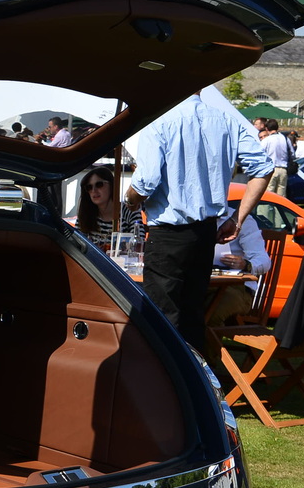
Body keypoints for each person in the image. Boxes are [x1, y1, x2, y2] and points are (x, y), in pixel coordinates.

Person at [124, 90, 272, 351]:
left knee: (161, 318)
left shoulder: (159, 121)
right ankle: (193, 386)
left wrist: (130, 199)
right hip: (204, 233)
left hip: (170, 234)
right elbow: (263, 169)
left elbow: (145, 183)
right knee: (192, 315)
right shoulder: (226, 120)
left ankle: (166, 388)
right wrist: (237, 219)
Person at [206, 213, 271, 328]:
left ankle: (208, 345)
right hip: (204, 283)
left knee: (210, 314)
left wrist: (246, 264)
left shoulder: (241, 219)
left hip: (237, 288)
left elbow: (264, 261)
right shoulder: (195, 218)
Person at [73, 166, 139, 250]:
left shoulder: (129, 211)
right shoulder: (86, 214)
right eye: (89, 187)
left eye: (99, 185)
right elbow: (76, 244)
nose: (94, 190)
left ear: (111, 186)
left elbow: (138, 243)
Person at [259, 117, 293, 196]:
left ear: (267, 129)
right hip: (283, 169)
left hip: (271, 168)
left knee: (270, 194)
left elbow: (260, 153)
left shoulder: (267, 140)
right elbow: (292, 153)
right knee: (282, 195)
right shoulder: (285, 139)